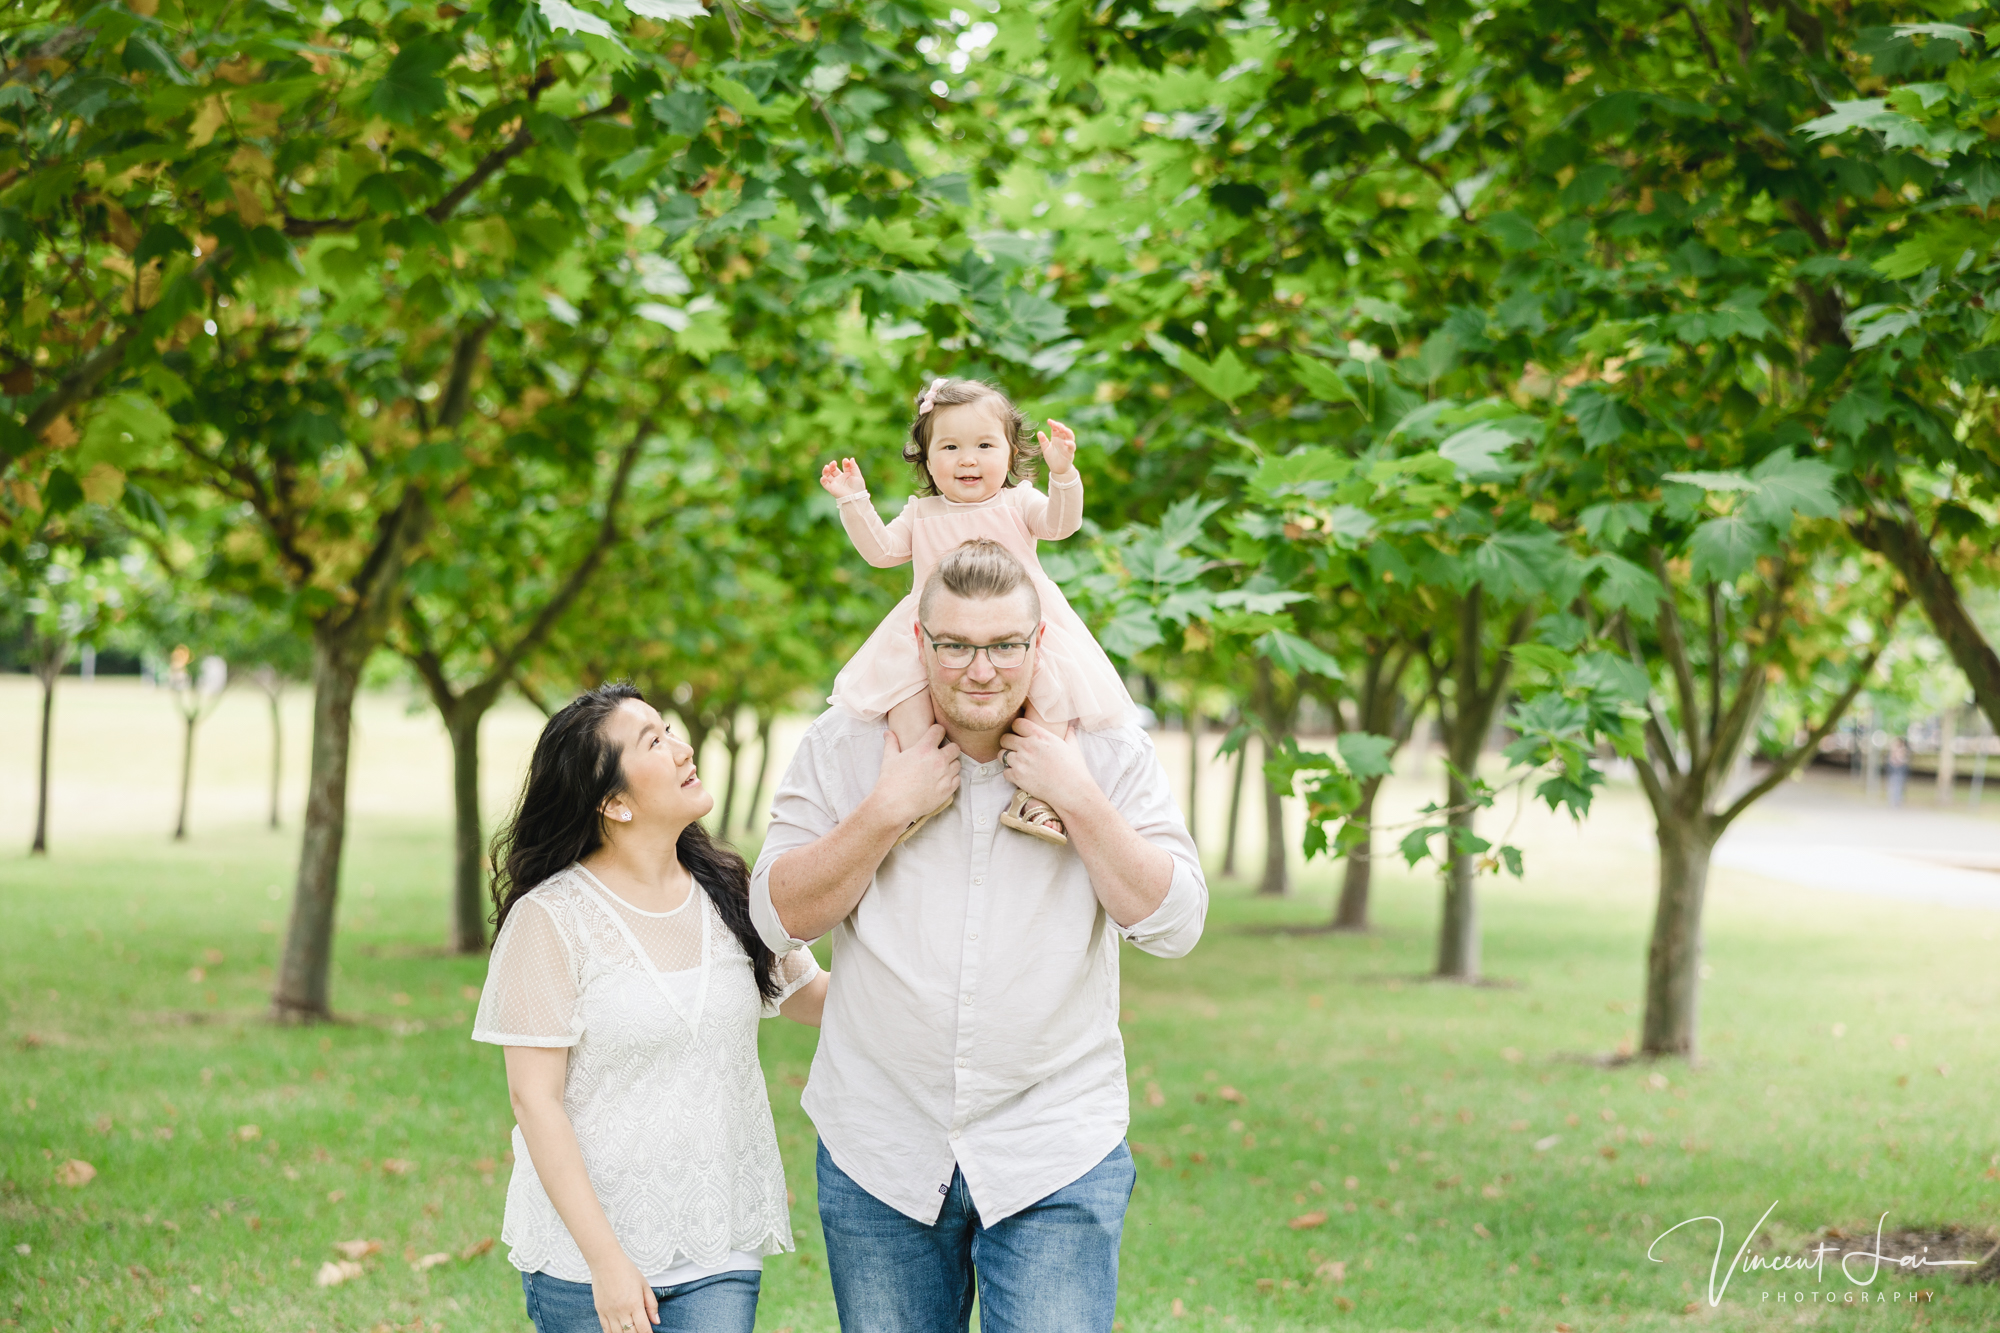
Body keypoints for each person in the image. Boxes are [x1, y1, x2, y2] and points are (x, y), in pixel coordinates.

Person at [749, 537, 1208, 1333]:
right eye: (956, 645)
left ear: (1039, 641)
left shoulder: (1103, 749)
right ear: (920, 641)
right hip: (881, 1147)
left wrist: (1079, 798)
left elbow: (1175, 923)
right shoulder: (850, 744)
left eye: (1003, 645)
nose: (981, 669)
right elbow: (774, 914)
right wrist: (886, 808)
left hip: (1054, 1144)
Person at [472, 683, 829, 1333]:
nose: (682, 748)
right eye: (654, 742)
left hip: (716, 1239)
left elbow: (818, 1000)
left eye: (668, 730)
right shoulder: (549, 919)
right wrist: (607, 1262)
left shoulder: (731, 891)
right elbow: (535, 1101)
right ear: (613, 801)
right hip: (586, 1261)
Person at [818, 375, 1133, 845]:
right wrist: (853, 501)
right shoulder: (922, 513)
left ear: (1011, 453)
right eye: (949, 447)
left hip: (1020, 627)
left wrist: (1063, 475)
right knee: (903, 695)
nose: (968, 459)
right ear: (925, 459)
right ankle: (913, 786)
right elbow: (881, 551)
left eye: (985, 444)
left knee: (1052, 694)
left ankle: (1037, 795)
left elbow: (1060, 525)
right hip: (934, 631)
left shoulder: (1018, 502)